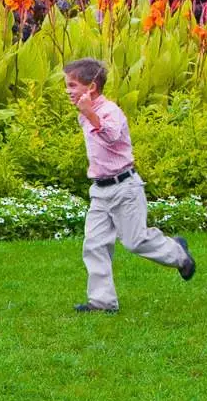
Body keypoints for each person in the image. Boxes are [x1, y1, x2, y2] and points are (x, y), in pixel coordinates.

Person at [64, 58, 195, 313]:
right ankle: (102, 302)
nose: (68, 90)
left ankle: (178, 253)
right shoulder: (85, 112)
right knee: (95, 244)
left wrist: (90, 113)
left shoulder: (110, 111)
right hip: (100, 190)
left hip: (124, 188)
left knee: (135, 241)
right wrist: (87, 112)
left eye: (72, 85)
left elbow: (112, 136)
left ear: (91, 87)